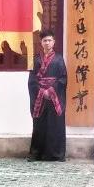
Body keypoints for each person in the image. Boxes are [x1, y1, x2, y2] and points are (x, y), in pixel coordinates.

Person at [28, 30, 67, 161]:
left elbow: (63, 79)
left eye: (49, 40)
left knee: (54, 125)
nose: (47, 43)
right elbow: (32, 80)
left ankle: (55, 154)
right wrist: (41, 92)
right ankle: (37, 154)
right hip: (39, 98)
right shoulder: (36, 60)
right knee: (39, 125)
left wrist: (50, 91)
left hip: (54, 97)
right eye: (45, 40)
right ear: (41, 42)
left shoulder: (59, 59)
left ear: (54, 42)